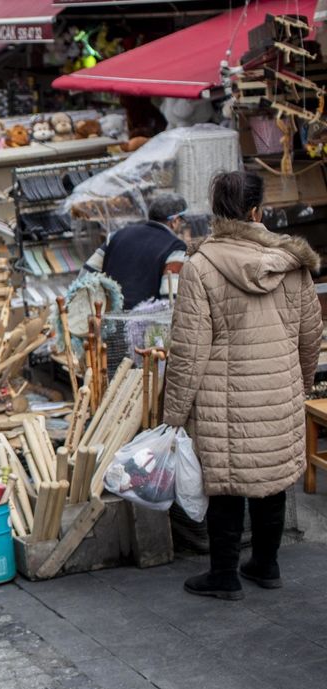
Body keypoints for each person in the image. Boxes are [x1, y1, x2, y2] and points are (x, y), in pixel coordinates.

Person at [165, 171, 321, 600]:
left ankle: (224, 574)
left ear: (217, 212)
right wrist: (301, 384)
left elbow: (188, 350)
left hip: (223, 401)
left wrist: (173, 415)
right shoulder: (293, 263)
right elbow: (311, 334)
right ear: (257, 211)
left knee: (226, 487)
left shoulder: (200, 266)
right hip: (279, 392)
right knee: (271, 482)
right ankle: (266, 565)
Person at [83, 193, 189, 309]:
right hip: (145, 324)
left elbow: (86, 276)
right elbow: (169, 299)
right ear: (175, 221)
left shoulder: (116, 235)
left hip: (109, 319)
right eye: (182, 222)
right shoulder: (176, 247)